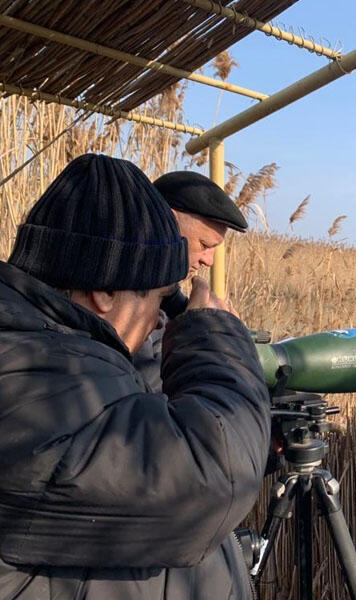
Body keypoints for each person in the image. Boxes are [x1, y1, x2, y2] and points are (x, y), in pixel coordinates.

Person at [0, 154, 270, 599]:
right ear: (105, 291)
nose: (156, 320)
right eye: (159, 299)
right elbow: (215, 477)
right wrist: (213, 339)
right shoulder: (33, 384)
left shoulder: (42, 349)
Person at [134, 170, 248, 391]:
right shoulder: (127, 299)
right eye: (204, 245)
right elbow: (149, 392)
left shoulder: (161, 294)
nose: (209, 261)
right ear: (166, 224)